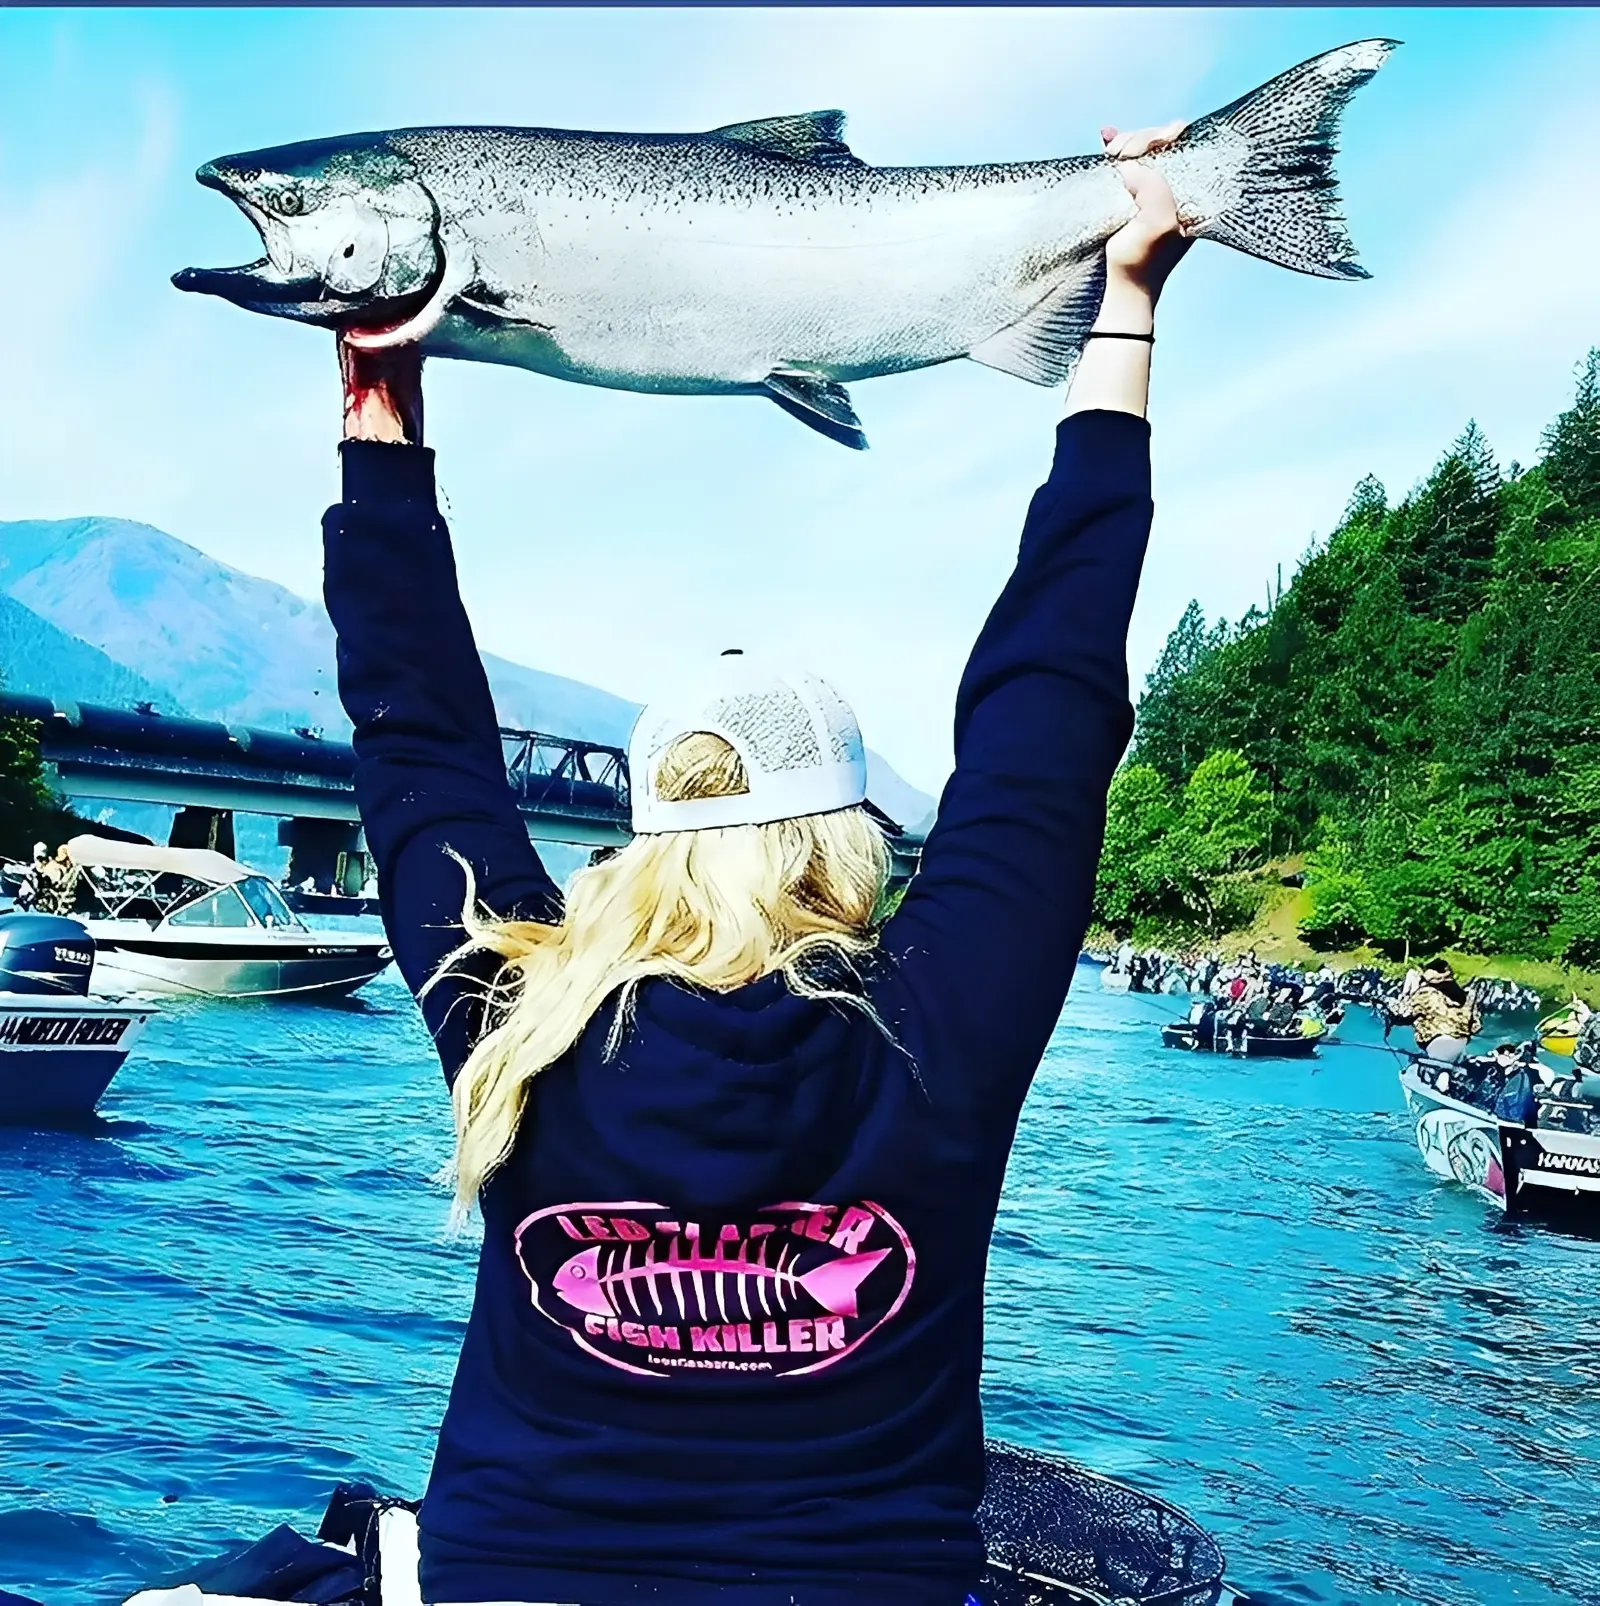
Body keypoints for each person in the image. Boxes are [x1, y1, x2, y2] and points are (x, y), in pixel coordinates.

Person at [322, 122, 1190, 1606]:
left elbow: (416, 736)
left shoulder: (518, 1017)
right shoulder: (939, 1025)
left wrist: (379, 401)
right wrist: (1127, 304)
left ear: (651, 828)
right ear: (845, 833)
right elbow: (1052, 704)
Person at [1387, 959, 1481, 1063]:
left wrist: (1397, 1001)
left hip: (1436, 1044)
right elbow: (1476, 1027)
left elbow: (1403, 1017)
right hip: (1461, 1043)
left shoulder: (1425, 994)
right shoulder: (1467, 995)